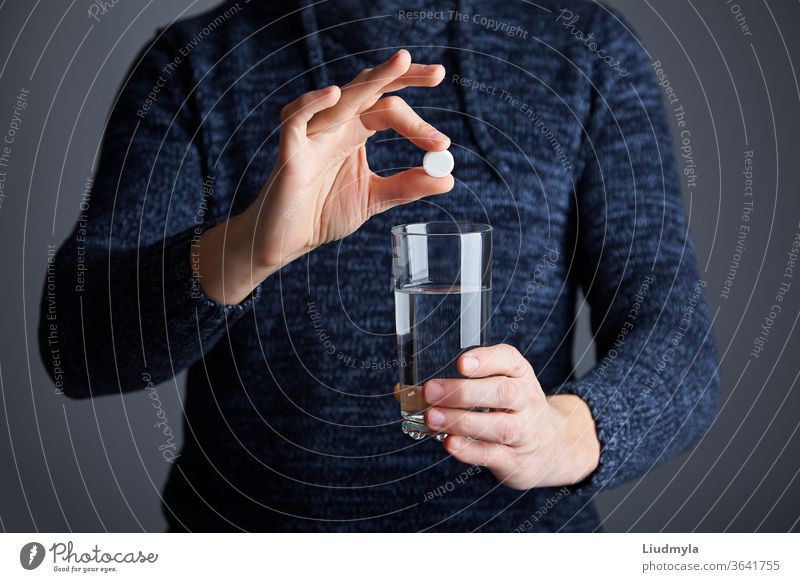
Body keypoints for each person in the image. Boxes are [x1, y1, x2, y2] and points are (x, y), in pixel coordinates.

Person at [39, 0, 720, 532]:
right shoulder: (196, 63)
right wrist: (247, 248)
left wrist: (560, 436)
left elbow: (679, 347)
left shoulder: (584, 50)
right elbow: (75, 350)